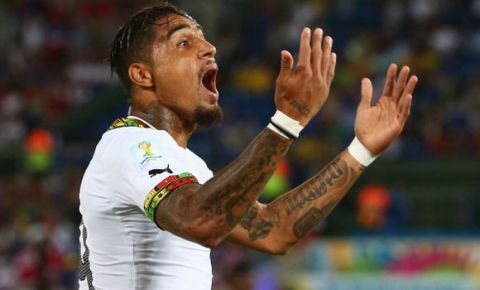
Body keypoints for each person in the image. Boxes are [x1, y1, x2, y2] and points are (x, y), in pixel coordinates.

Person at [78, 2, 418, 290]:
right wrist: (288, 119)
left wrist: (361, 150)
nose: (209, 47)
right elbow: (200, 221)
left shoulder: (184, 165)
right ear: (143, 75)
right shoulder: (132, 146)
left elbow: (275, 230)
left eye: (204, 37)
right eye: (183, 43)